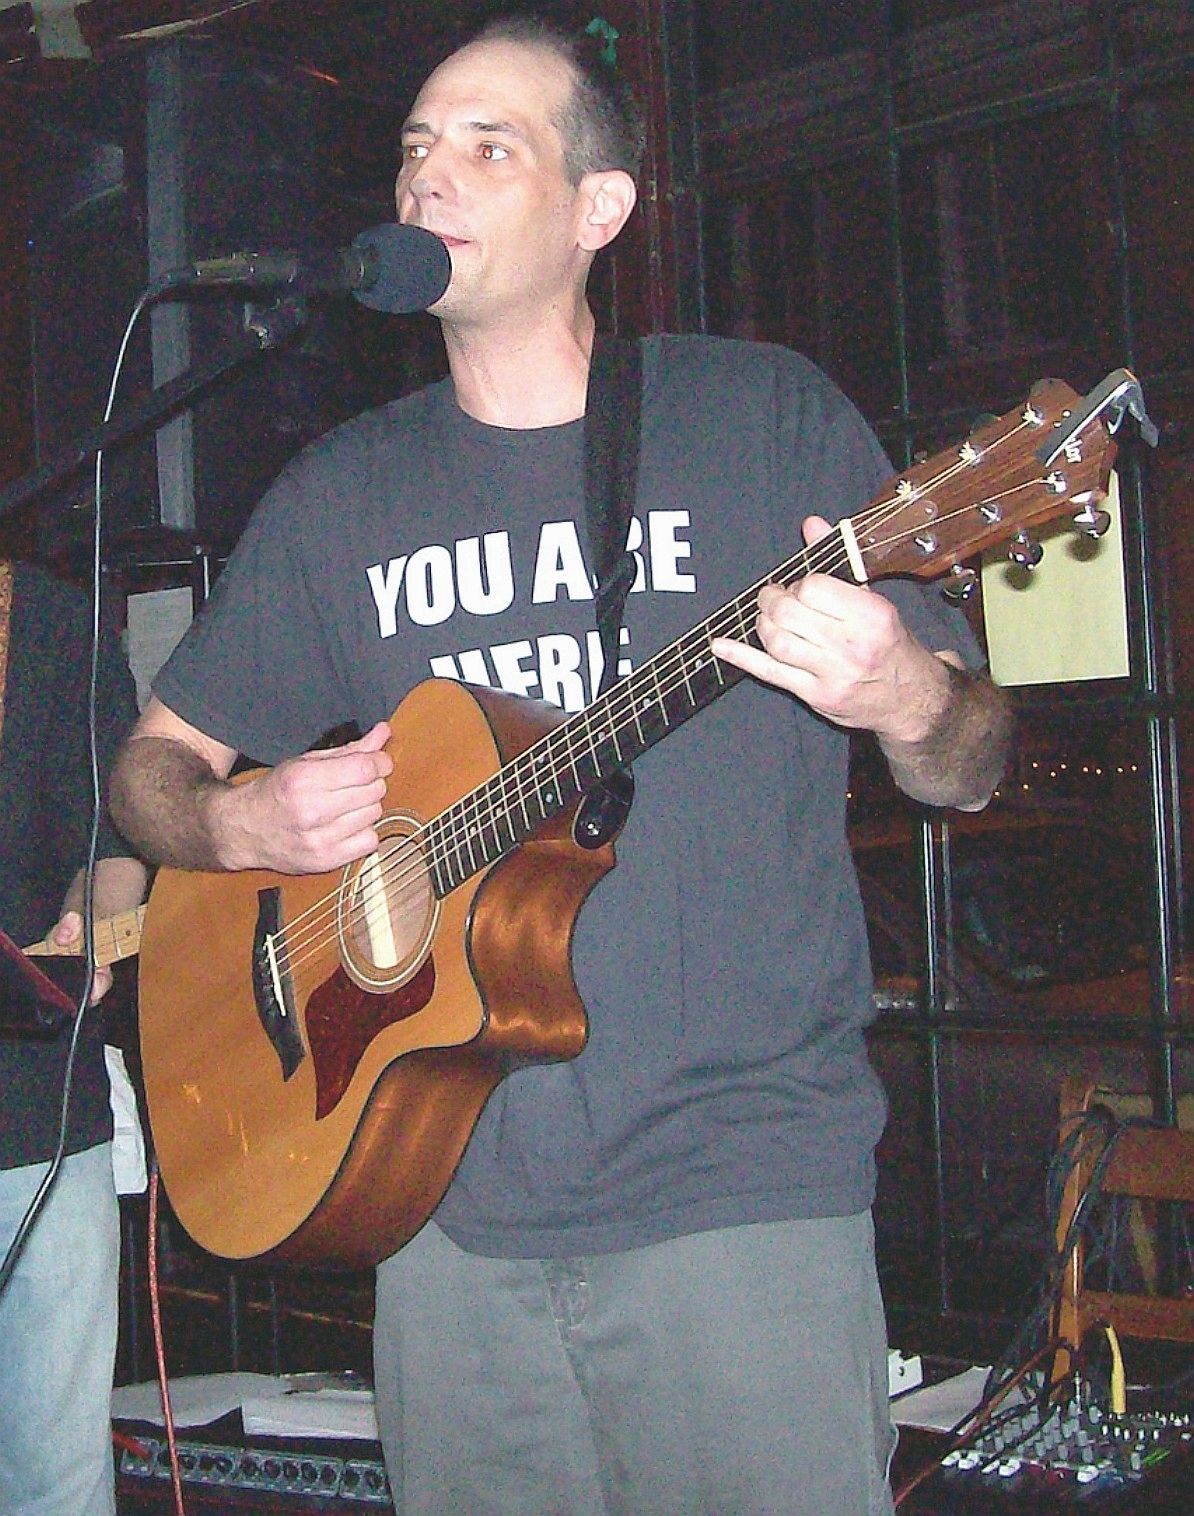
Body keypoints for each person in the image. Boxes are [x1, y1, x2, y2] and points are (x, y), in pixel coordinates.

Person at [109, 14, 1012, 1514]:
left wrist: (905, 690)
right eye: (416, 146)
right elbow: (149, 770)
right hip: (436, 1210)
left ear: (601, 208)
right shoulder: (339, 497)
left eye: (489, 145)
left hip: (738, 1200)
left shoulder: (757, 417)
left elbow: (969, 764)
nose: (429, 176)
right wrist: (234, 820)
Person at [0, 557, 147, 1516]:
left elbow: (116, 842)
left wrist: (89, 922)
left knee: (56, 1479)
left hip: (40, 1113)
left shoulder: (56, 625)